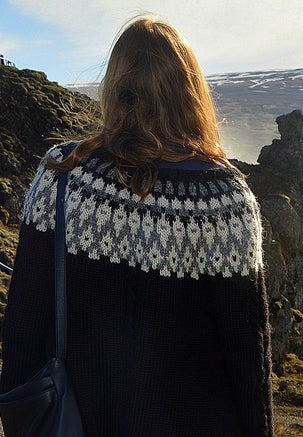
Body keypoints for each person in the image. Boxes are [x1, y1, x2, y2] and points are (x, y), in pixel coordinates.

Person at [0, 16, 273, 436]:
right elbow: (247, 362)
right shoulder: (227, 201)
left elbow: (24, 325)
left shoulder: (61, 175)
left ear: (114, 87)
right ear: (190, 92)